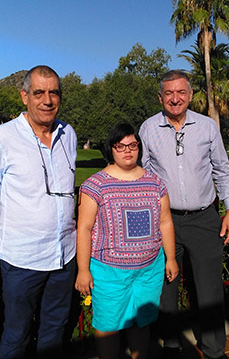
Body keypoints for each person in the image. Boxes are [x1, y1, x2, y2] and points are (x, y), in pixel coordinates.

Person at [139, 70, 229, 359]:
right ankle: (171, 345)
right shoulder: (148, 129)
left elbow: (221, 169)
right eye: (168, 93)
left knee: (209, 288)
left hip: (204, 218)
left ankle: (214, 348)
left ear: (191, 95)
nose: (175, 98)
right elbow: (142, 175)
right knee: (166, 287)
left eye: (181, 92)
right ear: (160, 97)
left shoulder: (207, 127)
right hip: (163, 220)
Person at [0, 65, 77, 358]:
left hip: (64, 255)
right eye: (39, 93)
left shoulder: (68, 133)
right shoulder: (2, 139)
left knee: (56, 329)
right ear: (24, 96)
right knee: (16, 333)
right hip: (23, 259)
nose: (47, 100)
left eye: (53, 93)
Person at [75, 123, 178, 359]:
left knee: (142, 323)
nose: (127, 150)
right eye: (120, 146)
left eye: (132, 145)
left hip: (148, 270)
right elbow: (84, 228)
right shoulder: (95, 185)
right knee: (108, 326)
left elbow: (166, 222)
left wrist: (170, 258)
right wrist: (83, 270)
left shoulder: (155, 182)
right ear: (111, 149)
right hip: (109, 272)